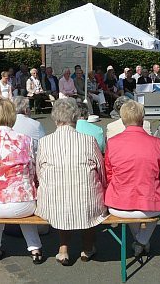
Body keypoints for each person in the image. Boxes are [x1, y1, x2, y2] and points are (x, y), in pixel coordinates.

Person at [35, 98, 108, 265]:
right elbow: (101, 172)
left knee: (60, 193)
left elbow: (40, 174)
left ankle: (63, 249)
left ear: (55, 118)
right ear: (75, 117)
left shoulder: (45, 142)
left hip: (54, 202)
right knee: (90, 194)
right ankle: (87, 248)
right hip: (86, 202)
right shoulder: (89, 140)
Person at [0, 100, 42, 264]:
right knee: (25, 206)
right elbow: (33, 170)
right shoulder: (25, 140)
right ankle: (35, 249)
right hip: (23, 202)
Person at [105, 101, 160, 257]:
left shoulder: (112, 143)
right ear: (143, 118)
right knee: (154, 212)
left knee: (132, 213)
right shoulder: (156, 143)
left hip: (118, 204)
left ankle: (140, 243)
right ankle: (141, 242)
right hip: (151, 204)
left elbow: (108, 174)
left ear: (122, 120)